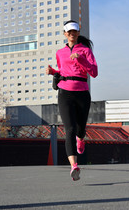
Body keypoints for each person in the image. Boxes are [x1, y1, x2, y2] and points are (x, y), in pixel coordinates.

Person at [46, 20, 98, 181]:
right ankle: (74, 166)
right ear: (64, 34)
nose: (72, 34)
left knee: (80, 128)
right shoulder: (60, 52)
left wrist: (81, 59)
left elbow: (94, 72)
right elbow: (62, 71)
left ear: (78, 33)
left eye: (74, 31)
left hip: (82, 91)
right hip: (65, 92)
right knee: (69, 129)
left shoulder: (85, 50)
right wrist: (52, 71)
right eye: (69, 32)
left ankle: (81, 138)